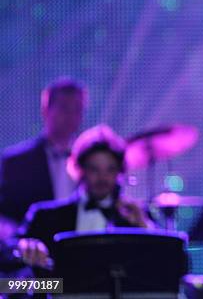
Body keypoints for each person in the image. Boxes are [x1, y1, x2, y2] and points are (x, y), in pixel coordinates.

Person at [15, 124, 154, 270]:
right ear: (79, 170)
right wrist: (24, 247)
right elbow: (7, 261)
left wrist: (144, 226)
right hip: (59, 290)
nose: (102, 177)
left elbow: (170, 263)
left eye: (110, 169)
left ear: (120, 172)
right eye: (94, 169)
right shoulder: (45, 217)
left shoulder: (135, 217)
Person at [0, 78, 87, 226]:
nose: (71, 116)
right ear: (45, 110)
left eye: (77, 109)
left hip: (80, 247)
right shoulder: (16, 163)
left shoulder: (89, 161)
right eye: (64, 108)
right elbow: (5, 216)